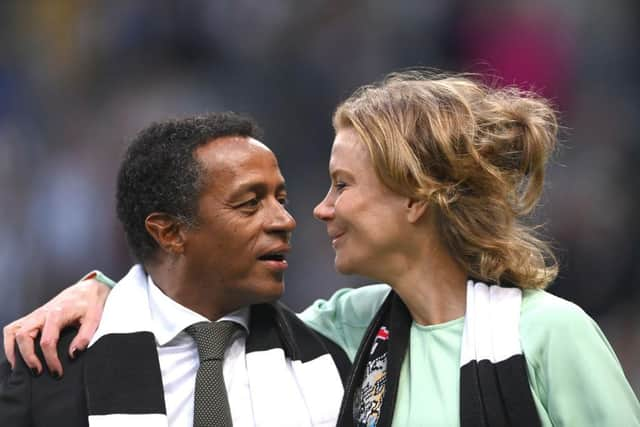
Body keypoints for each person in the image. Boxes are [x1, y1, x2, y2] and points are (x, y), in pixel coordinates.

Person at [5, 71, 640, 426]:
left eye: (342, 185)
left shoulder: (552, 335)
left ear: (415, 198)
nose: (317, 209)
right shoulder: (349, 331)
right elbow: (191, 311)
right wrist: (108, 290)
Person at [0, 112, 351, 427]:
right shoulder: (49, 373)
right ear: (170, 232)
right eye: (250, 203)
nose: (284, 220)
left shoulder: (337, 354)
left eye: (282, 200)